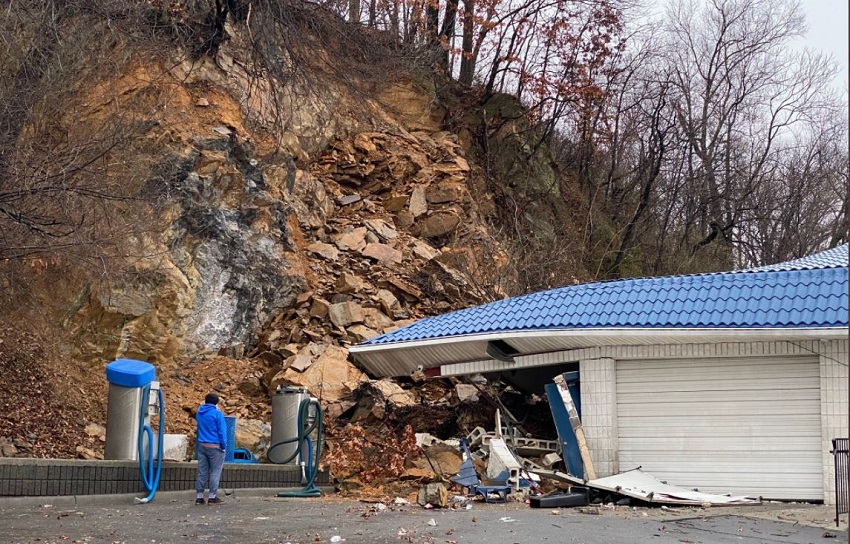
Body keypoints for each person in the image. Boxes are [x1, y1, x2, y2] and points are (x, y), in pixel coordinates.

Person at [194, 393, 227, 505]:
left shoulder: (199, 413)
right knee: (215, 472)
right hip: (215, 446)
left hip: (202, 445)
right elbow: (222, 431)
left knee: (202, 471)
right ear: (216, 402)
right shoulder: (217, 414)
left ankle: (199, 497)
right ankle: (212, 497)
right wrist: (223, 446)